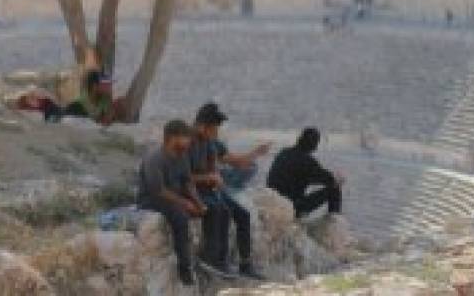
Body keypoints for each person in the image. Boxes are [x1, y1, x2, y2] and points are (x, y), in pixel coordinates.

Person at [189, 102, 268, 279]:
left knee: (243, 214)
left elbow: (233, 161)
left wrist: (255, 153)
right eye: (214, 129)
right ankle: (213, 259)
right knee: (220, 210)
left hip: (210, 189)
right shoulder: (186, 143)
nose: (216, 133)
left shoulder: (211, 142)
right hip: (193, 191)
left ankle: (245, 264)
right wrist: (210, 178)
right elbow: (182, 177)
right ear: (202, 125)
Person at [137, 119, 205, 286]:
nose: (189, 142)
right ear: (173, 138)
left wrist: (198, 202)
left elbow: (188, 183)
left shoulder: (182, 157)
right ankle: (184, 268)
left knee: (208, 211)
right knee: (181, 218)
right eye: (186, 138)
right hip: (151, 200)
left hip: (173, 197)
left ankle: (204, 257)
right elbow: (158, 190)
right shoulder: (155, 158)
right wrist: (185, 203)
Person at [267, 127, 344, 219]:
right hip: (291, 207)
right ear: (314, 145)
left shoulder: (283, 153)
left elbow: (298, 176)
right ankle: (334, 227)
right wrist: (339, 179)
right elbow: (330, 180)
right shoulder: (308, 161)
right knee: (334, 190)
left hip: (272, 203)